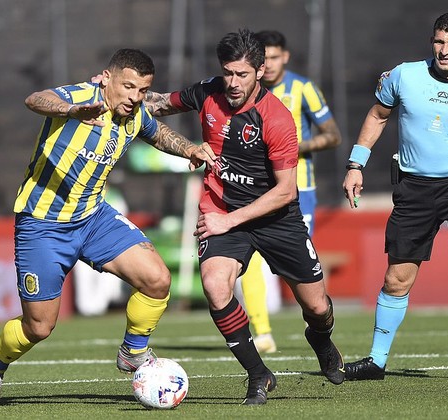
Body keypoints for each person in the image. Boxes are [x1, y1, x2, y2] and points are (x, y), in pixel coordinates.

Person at [0, 48, 216, 407]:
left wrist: (189, 150)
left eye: (142, 90)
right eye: (128, 86)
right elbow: (35, 99)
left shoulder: (134, 113)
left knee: (157, 279)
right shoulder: (80, 98)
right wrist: (71, 112)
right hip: (43, 225)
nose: (134, 97)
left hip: (92, 218)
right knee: (39, 326)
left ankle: (133, 352)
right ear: (107, 78)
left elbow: (156, 131)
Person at [144, 28, 345, 405]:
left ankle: (320, 340)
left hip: (276, 217)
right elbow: (157, 104)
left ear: (260, 71)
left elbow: (286, 191)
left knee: (317, 308)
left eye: (242, 74)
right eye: (228, 73)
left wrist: (229, 222)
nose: (233, 82)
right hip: (220, 209)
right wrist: (111, 95)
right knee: (215, 285)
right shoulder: (208, 92)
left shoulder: (277, 118)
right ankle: (258, 374)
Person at [342, 12, 448, 381]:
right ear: (432, 41)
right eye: (439, 41)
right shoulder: (403, 75)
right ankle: (376, 361)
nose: (444, 50)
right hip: (414, 190)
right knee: (396, 280)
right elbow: (378, 115)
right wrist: (355, 165)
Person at [238, 30, 342, 354]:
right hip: (253, 188)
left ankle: (318, 325)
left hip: (298, 189)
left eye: (274, 57)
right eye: (263, 58)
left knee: (297, 263)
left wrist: (291, 147)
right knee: (250, 258)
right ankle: (262, 331)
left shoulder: (303, 88)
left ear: (285, 57)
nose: (268, 64)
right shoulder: (242, 90)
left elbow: (333, 136)